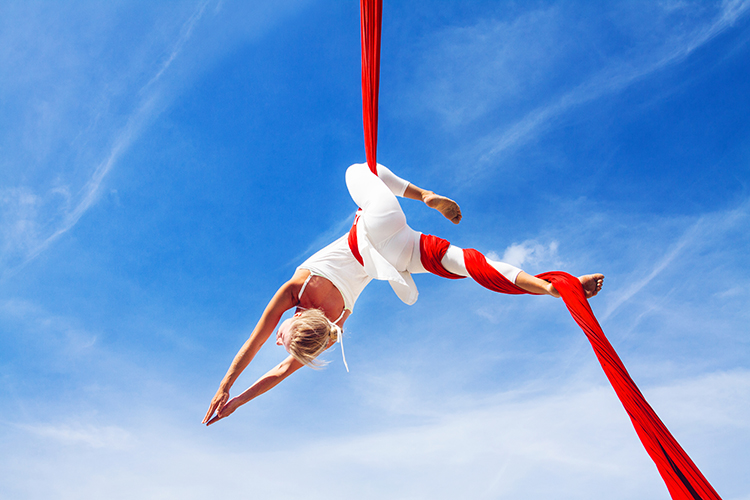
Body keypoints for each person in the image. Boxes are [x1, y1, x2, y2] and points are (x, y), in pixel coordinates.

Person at [203, 163, 603, 425]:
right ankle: (425, 194)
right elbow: (253, 344)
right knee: (361, 169)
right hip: (378, 224)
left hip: (398, 258)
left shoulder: (334, 329)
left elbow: (277, 373)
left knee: (474, 265)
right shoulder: (297, 289)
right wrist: (225, 386)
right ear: (295, 319)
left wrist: (237, 403)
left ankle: (552, 288)